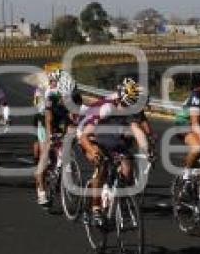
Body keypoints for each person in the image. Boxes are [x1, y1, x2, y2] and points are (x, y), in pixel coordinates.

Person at [76, 78, 150, 222]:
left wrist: (147, 151)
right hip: (88, 132)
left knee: (127, 164)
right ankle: (95, 208)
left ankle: (115, 196)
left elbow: (137, 131)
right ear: (120, 100)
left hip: (110, 131)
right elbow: (85, 136)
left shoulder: (129, 107)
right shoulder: (107, 108)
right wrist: (92, 150)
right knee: (102, 163)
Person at [32, 70, 73, 205]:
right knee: (46, 154)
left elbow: (73, 118)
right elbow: (48, 120)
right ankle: (41, 192)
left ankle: (60, 170)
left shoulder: (71, 94)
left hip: (59, 118)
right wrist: (50, 136)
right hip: (44, 120)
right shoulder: (49, 95)